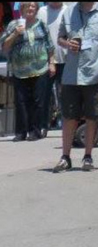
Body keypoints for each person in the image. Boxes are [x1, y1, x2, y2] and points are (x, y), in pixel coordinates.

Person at [1, 2, 56, 142]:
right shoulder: (13, 25)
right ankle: (21, 132)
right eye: (27, 6)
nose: (30, 9)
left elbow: (50, 45)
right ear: (22, 9)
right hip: (19, 70)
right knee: (21, 101)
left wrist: (52, 63)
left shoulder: (42, 24)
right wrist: (15, 33)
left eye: (33, 6)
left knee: (38, 101)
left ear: (36, 9)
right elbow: (4, 46)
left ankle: (35, 131)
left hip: (40, 68)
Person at [54, 2, 98, 172]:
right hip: (71, 74)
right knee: (68, 116)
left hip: (94, 72)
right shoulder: (69, 12)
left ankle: (88, 156)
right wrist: (67, 44)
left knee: (92, 116)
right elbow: (60, 38)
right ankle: (65, 157)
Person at [37, 2, 67, 133]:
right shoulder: (41, 11)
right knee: (44, 95)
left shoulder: (68, 11)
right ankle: (43, 126)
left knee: (66, 96)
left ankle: (67, 125)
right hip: (45, 60)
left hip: (66, 60)